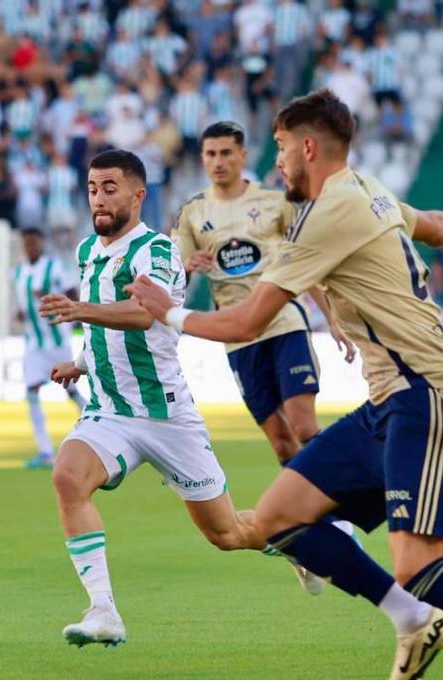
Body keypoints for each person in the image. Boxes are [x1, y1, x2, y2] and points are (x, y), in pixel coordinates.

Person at [127, 90, 443, 680]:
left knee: (420, 565)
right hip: (387, 403)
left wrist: (169, 313)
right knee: (278, 518)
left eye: (281, 148)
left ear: (309, 147)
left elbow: (244, 323)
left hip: (426, 395)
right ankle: (412, 623)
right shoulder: (367, 190)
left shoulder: (327, 212)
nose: (277, 161)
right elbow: (431, 224)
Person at [37, 149, 269, 649]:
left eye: (110, 188)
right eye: (93, 187)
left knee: (227, 534)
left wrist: (79, 309)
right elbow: (111, 327)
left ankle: (300, 543)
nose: (99, 198)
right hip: (109, 412)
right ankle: (103, 610)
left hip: (165, 415)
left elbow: (145, 315)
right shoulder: (86, 251)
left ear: (138, 195)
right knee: (67, 476)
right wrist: (81, 362)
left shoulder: (157, 251)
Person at [173, 120, 362, 594]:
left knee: (303, 425)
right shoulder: (193, 214)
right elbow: (167, 278)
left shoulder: (273, 203)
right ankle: (306, 525)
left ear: (242, 155)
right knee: (281, 444)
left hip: (284, 323)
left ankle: (338, 518)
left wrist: (333, 317)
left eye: (225, 153)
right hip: (238, 339)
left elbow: (306, 262)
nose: (217, 162)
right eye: (209, 154)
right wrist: (184, 265)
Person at [14, 228, 87, 468]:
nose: (31, 247)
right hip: (34, 343)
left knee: (71, 390)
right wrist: (22, 313)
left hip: (57, 341)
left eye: (34, 242)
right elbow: (24, 305)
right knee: (31, 391)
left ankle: (95, 426)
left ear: (41, 243)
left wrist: (49, 297)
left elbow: (72, 294)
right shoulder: (18, 272)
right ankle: (45, 451)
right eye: (27, 243)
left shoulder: (53, 267)